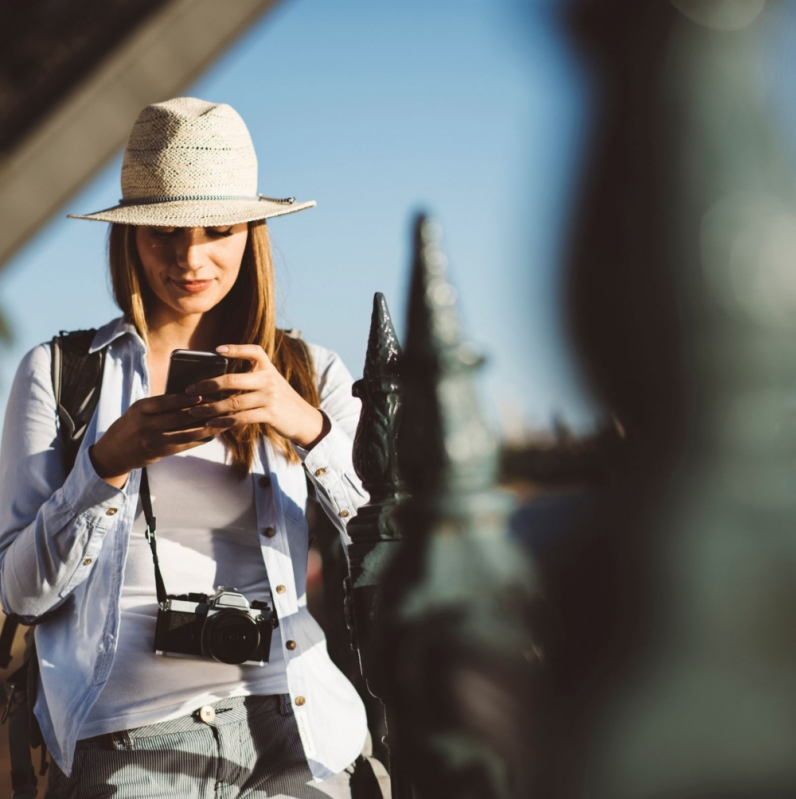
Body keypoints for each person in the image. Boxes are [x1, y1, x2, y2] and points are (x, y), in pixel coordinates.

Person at [0, 97, 378, 798]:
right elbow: (20, 592)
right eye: (164, 232)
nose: (190, 257)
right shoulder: (61, 374)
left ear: (252, 233)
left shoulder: (310, 375)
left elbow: (394, 541)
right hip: (130, 732)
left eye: (218, 229)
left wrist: (308, 429)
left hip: (298, 720)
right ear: (130, 236)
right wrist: (103, 466)